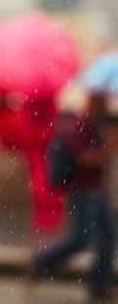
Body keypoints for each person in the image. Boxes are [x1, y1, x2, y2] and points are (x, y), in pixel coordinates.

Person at [31, 91, 115, 300]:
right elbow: (84, 159)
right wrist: (110, 146)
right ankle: (42, 261)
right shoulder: (79, 126)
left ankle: (100, 283)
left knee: (109, 235)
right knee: (82, 238)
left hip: (96, 190)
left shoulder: (94, 125)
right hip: (84, 190)